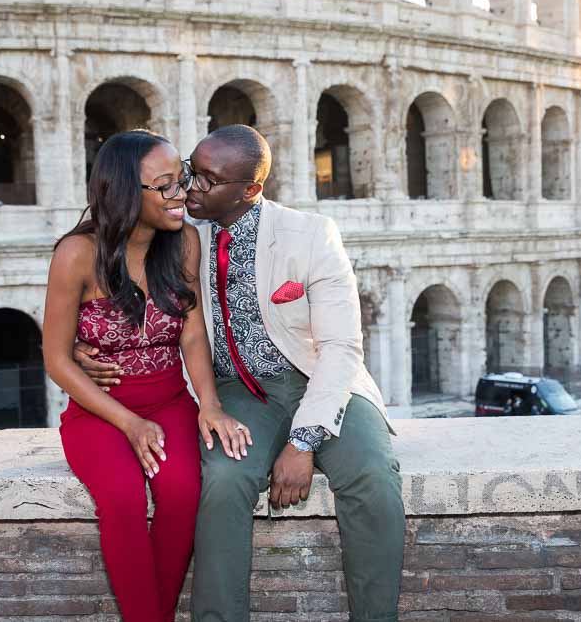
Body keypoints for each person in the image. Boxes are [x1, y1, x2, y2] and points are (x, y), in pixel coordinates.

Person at [76, 125, 405, 622]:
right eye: (191, 172)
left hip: (324, 383)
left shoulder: (312, 233)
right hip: (242, 392)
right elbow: (127, 297)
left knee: (374, 478)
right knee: (224, 482)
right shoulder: (182, 239)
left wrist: (303, 443)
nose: (190, 188)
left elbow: (341, 348)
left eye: (207, 181)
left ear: (249, 190)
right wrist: (84, 344)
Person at [43, 130, 249, 622]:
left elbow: (193, 335)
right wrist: (130, 424)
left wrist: (210, 404)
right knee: (122, 500)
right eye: (166, 186)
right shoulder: (75, 255)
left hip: (170, 401)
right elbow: (56, 360)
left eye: (181, 181)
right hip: (100, 411)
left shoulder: (184, 244)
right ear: (123, 193)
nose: (183, 195)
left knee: (182, 495)